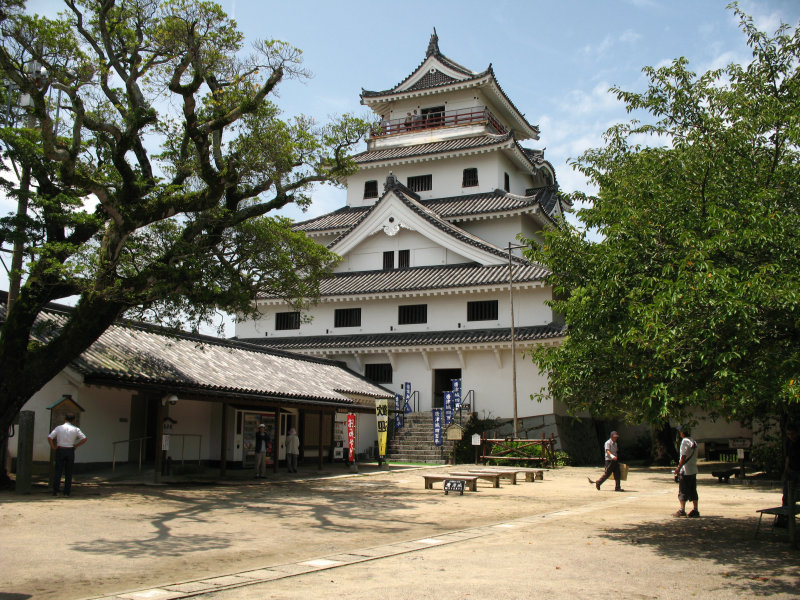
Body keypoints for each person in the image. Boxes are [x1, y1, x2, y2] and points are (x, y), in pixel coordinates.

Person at [47, 412, 87, 497]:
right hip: (70, 450)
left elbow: (50, 437)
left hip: (60, 449)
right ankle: (66, 492)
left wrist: (53, 447)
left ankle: (56, 491)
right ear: (73, 420)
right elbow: (84, 438)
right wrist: (76, 445)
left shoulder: (59, 428)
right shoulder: (76, 429)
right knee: (69, 472)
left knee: (58, 471)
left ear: (65, 419)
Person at [674, 426, 699, 517]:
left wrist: (678, 468)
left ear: (682, 433)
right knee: (693, 490)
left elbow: (683, 456)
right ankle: (695, 509)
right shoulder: (693, 441)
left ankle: (682, 509)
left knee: (683, 490)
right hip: (693, 469)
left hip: (686, 470)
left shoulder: (684, 442)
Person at [778, 422, 800, 526]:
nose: (791, 436)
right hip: (791, 470)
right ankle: (785, 520)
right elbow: (788, 458)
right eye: (788, 434)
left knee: (795, 495)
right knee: (786, 496)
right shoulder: (788, 442)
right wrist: (785, 472)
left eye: (792, 434)